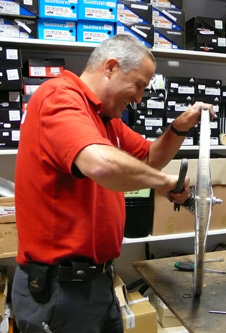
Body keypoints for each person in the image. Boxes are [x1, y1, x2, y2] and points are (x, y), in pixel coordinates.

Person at [12, 34, 215, 333]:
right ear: (110, 67)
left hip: (98, 281)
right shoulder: (58, 96)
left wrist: (178, 127)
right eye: (139, 85)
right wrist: (165, 183)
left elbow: (149, 158)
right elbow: (101, 163)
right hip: (60, 290)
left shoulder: (105, 118)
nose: (139, 98)